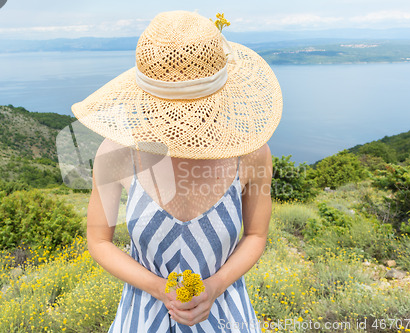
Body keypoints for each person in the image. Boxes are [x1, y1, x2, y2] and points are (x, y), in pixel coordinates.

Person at [71, 10, 282, 333]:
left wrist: (216, 285)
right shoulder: (116, 152)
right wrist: (158, 287)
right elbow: (99, 240)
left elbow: (256, 235)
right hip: (140, 318)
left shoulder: (251, 154)